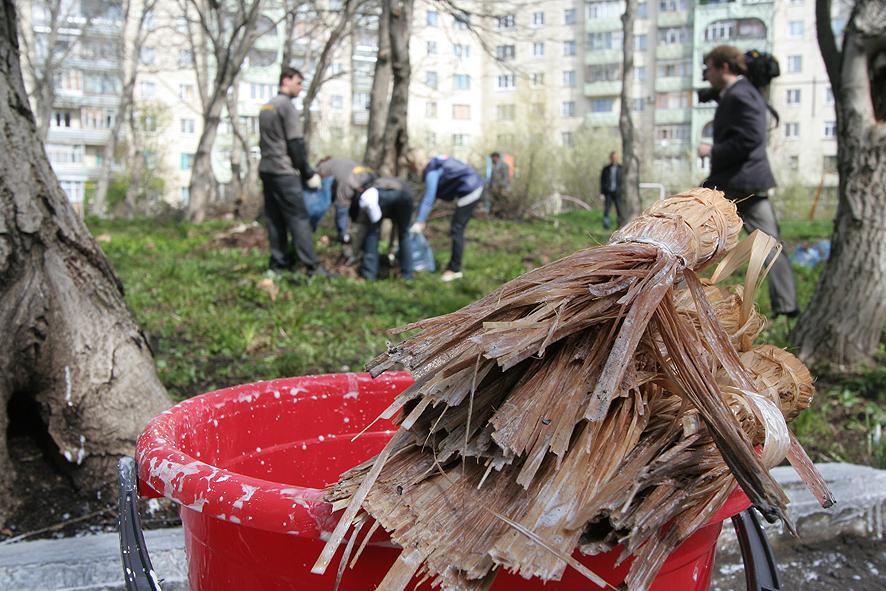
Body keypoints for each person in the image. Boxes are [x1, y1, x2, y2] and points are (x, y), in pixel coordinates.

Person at [698, 45, 798, 318]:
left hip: (737, 182)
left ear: (724, 68)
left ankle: (681, 289)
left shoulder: (741, 95)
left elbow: (750, 138)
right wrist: (711, 95)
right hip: (743, 181)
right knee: (770, 245)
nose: (705, 74)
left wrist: (712, 151)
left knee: (695, 228)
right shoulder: (738, 93)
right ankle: (787, 305)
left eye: (708, 68)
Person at [258, 67, 331, 278]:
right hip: (284, 172)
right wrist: (308, 173)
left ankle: (278, 265)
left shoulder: (267, 106)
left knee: (274, 219)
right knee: (299, 218)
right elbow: (295, 144)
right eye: (298, 83)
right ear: (286, 80)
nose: (300, 88)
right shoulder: (286, 107)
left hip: (267, 170)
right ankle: (311, 267)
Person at [405, 150, 484, 282]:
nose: (410, 170)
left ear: (415, 164)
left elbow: (429, 198)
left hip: (471, 189)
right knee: (456, 228)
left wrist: (420, 221)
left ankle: (454, 270)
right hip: (473, 185)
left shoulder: (432, 170)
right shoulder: (436, 164)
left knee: (457, 229)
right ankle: (455, 268)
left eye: (409, 165)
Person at [351, 177, 413, 281]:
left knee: (372, 233)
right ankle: (407, 275)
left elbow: (364, 224)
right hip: (406, 194)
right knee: (404, 234)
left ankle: (369, 274)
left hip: (383, 194)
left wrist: (355, 250)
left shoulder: (368, 191)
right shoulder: (395, 182)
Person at [316, 157, 375, 249]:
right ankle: (362, 242)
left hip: (350, 182)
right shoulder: (341, 161)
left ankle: (344, 239)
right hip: (371, 179)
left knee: (342, 208)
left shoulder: (322, 166)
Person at [599, 151, 623, 230]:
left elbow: (623, 182)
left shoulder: (621, 169)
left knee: (619, 209)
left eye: (615, 157)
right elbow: (602, 181)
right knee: (606, 209)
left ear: (617, 158)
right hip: (608, 192)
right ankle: (606, 226)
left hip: (618, 193)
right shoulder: (606, 169)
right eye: (613, 157)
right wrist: (602, 193)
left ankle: (620, 226)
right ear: (610, 158)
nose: (614, 159)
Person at [484, 151, 510, 216]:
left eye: (494, 157)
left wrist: (503, 187)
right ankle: (492, 214)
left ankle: (501, 215)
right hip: (493, 188)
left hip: (501, 188)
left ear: (497, 157)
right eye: (492, 157)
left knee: (501, 202)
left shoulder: (503, 165)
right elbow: (491, 178)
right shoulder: (492, 166)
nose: (493, 159)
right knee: (491, 200)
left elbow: (506, 178)